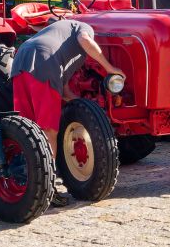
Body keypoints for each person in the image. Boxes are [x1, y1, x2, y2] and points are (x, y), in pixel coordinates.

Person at [10, 16, 123, 206]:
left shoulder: (56, 32)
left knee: (29, 131)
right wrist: (111, 69)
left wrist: (83, 106)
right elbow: (85, 41)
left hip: (20, 60)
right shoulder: (82, 26)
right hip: (43, 61)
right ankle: (48, 187)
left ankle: (29, 184)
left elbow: (64, 90)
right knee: (48, 131)